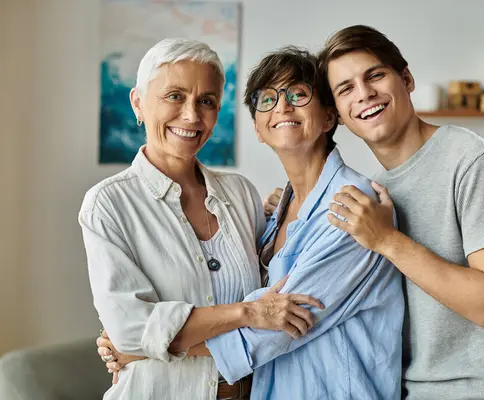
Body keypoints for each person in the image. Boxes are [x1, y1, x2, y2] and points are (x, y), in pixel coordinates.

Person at [98, 46, 405, 400]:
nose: (282, 107)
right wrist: (133, 333)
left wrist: (144, 347)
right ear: (258, 128)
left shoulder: (355, 208)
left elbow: (279, 327)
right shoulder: (273, 213)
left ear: (328, 117)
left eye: (298, 94)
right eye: (267, 99)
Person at [266, 25, 484, 400]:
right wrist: (293, 206)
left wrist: (387, 241)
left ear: (406, 79)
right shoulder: (374, 194)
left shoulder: (476, 160)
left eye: (375, 75)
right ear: (336, 114)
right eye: (346, 88)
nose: (365, 94)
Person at [79, 38, 324, 400]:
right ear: (138, 103)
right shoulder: (108, 204)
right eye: (175, 96)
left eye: (206, 101)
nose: (192, 116)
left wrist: (153, 343)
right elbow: (131, 331)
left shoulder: (241, 195)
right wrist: (246, 314)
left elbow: (280, 309)